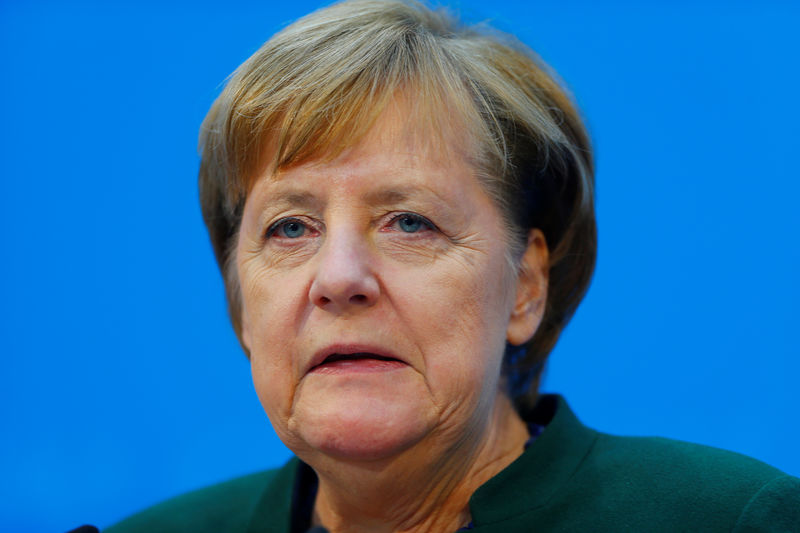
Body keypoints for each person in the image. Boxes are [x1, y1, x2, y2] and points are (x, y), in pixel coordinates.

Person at [103, 1, 800, 531]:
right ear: (239, 304)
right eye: (291, 228)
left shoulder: (730, 517)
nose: (340, 276)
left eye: (410, 221)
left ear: (526, 285)